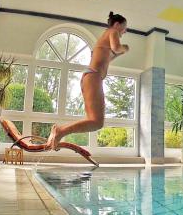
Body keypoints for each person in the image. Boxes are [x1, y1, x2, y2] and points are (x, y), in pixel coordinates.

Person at [46, 12, 130, 150]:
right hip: (93, 77)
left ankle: (60, 130)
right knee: (96, 122)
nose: (125, 31)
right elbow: (116, 47)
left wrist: (119, 53)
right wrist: (124, 48)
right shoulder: (112, 31)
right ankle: (60, 131)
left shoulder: (106, 36)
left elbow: (109, 57)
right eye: (124, 27)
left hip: (91, 77)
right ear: (117, 24)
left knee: (96, 121)